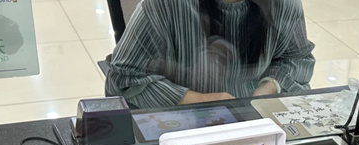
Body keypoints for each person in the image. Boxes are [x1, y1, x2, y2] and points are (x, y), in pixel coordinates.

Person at [105, 0, 315, 109]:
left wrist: (267, 89)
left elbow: (296, 58)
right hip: (180, 126)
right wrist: (202, 100)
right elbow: (122, 80)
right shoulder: (166, 5)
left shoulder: (282, 4)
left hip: (254, 123)